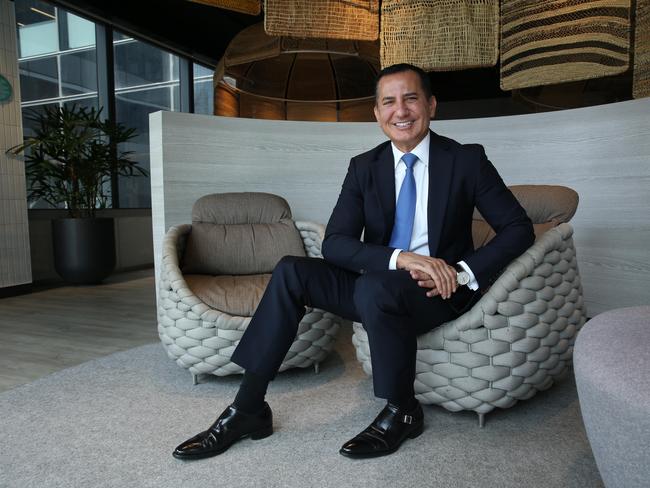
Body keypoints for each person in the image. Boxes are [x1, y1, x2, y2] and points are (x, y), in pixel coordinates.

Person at [172, 63, 534, 461]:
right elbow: (336, 244)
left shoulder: (466, 160)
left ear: (431, 105)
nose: (401, 111)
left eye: (411, 98)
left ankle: (403, 410)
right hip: (378, 286)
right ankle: (248, 408)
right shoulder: (364, 167)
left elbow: (518, 228)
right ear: (377, 115)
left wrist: (464, 274)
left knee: (375, 285)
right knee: (292, 270)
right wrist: (401, 258)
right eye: (389, 102)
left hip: (438, 291)